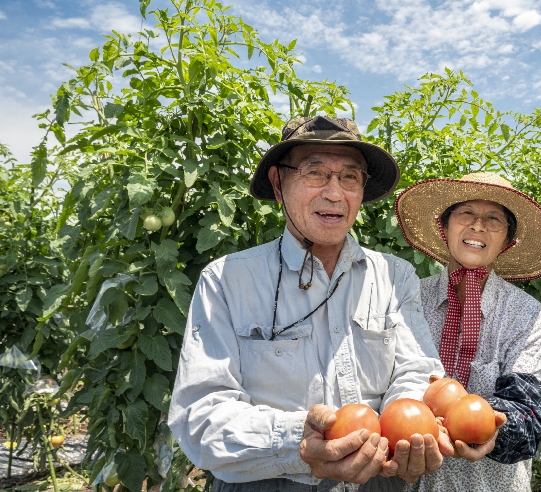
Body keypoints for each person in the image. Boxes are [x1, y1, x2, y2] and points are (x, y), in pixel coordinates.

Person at [168, 116, 452, 492]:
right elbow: (199, 417)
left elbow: (416, 372)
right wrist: (297, 441)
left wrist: (407, 431)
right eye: (314, 172)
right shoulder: (227, 281)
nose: (335, 194)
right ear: (278, 182)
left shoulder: (395, 277)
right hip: (264, 482)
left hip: (378, 481)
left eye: (350, 177)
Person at [395, 172, 541, 492]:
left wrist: (493, 429)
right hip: (407, 481)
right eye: (466, 213)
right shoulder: (409, 300)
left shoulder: (527, 316)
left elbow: (526, 413)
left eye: (494, 219)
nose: (478, 225)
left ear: (508, 241)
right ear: (444, 227)